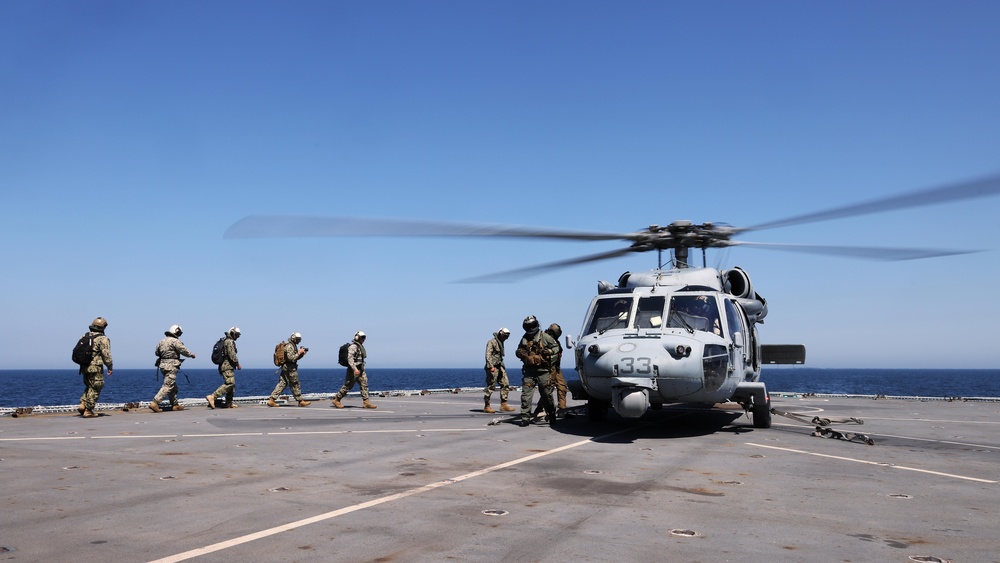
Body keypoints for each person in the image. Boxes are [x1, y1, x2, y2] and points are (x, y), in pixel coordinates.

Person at [514, 315, 559, 427]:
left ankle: (551, 414)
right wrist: (523, 354)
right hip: (530, 371)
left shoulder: (545, 337)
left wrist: (548, 352)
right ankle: (525, 418)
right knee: (526, 395)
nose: (530, 328)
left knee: (546, 395)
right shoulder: (525, 338)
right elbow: (519, 350)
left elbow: (556, 348)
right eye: (528, 326)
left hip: (543, 371)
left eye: (532, 325)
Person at [151, 325, 196, 412]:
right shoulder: (175, 341)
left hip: (162, 366)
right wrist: (191, 355)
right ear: (176, 332)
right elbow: (183, 351)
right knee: (168, 385)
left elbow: (157, 353)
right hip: (172, 366)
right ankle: (155, 402)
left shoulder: (161, 341)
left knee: (173, 386)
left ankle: (175, 404)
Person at [332, 331, 377, 409]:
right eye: (362, 337)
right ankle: (337, 399)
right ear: (357, 337)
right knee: (348, 385)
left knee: (364, 384)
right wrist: (355, 369)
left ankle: (366, 402)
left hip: (360, 369)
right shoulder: (353, 347)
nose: (363, 339)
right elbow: (350, 359)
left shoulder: (360, 347)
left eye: (364, 337)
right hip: (353, 370)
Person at [78, 317, 113, 418]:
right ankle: (88, 410)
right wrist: (110, 367)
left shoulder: (84, 336)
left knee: (89, 386)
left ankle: (83, 404)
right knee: (97, 387)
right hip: (95, 367)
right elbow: (106, 355)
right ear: (103, 327)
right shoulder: (102, 339)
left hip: (84, 366)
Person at [533, 323, 568, 420]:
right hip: (548, 369)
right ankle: (540, 408)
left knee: (562, 387)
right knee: (547, 391)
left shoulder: (554, 341)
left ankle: (562, 409)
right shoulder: (544, 340)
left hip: (556, 368)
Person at [267, 332, 312, 407]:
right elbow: (291, 358)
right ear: (293, 339)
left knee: (282, 383)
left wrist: (301, 354)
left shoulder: (292, 346)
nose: (299, 341)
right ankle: (300, 401)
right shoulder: (289, 347)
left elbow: (294, 358)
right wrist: (298, 353)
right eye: (298, 339)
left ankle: (272, 400)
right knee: (295, 384)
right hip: (290, 368)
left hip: (287, 367)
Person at [206, 327, 241, 409]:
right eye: (237, 335)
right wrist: (237, 364)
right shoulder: (229, 341)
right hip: (227, 366)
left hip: (227, 366)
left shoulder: (226, 340)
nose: (237, 337)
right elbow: (232, 355)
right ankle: (213, 396)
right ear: (232, 333)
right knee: (230, 383)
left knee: (232, 385)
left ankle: (229, 402)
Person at [483, 328, 515, 413]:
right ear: (500, 334)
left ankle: (504, 404)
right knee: (491, 386)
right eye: (505, 336)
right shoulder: (492, 342)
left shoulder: (501, 342)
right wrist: (490, 366)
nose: (505, 338)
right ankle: (487, 405)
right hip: (493, 367)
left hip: (499, 365)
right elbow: (488, 354)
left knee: (505, 383)